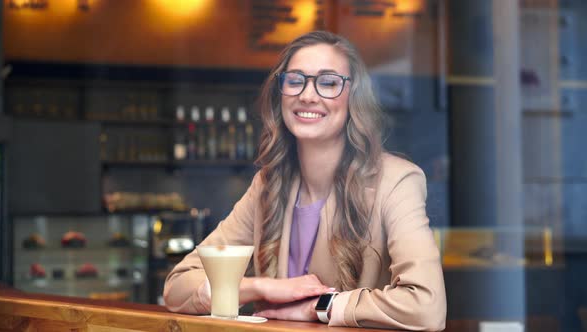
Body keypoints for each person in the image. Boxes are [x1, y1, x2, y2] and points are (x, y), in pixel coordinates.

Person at [163, 30, 446, 331]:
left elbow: (425, 306)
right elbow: (179, 285)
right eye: (295, 80)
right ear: (280, 93)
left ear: (354, 97)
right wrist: (261, 288)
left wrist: (321, 307)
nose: (308, 95)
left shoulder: (397, 180)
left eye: (328, 83)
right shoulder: (267, 186)